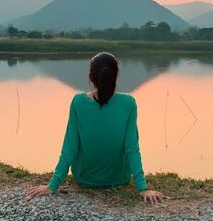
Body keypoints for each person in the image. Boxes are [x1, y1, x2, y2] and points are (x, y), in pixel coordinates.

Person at [26, 52, 163, 204]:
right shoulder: (129, 102)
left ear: (91, 77)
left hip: (84, 178)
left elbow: (70, 146)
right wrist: (142, 188)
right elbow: (131, 147)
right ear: (115, 76)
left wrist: (52, 185)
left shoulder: (78, 101)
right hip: (119, 179)